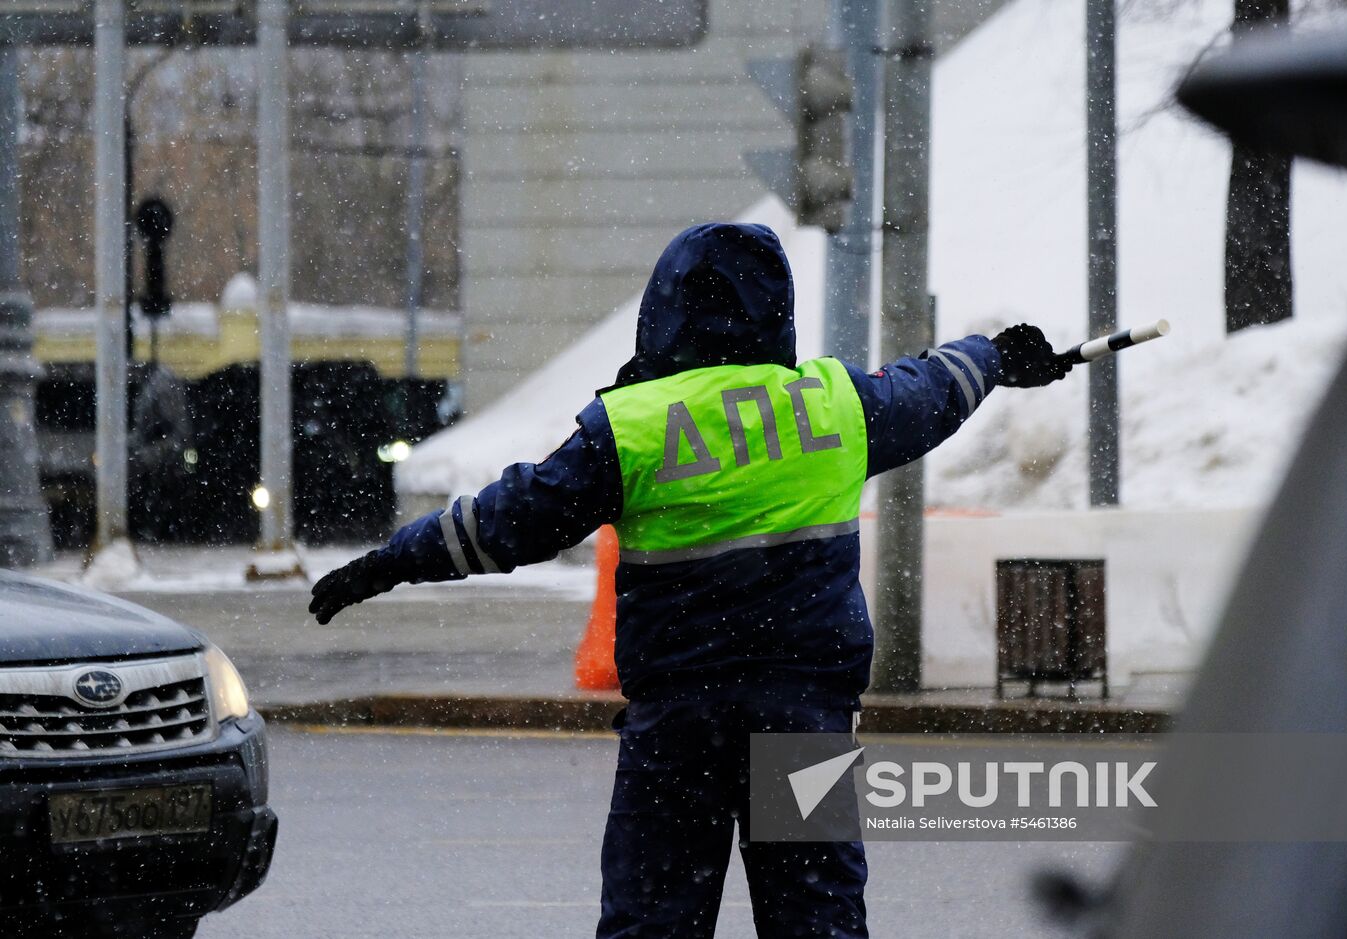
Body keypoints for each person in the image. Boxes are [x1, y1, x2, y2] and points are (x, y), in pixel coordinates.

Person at [309, 222, 1070, 938]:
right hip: (803, 725)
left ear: (665, 310)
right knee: (817, 920)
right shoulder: (837, 405)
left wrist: (389, 562)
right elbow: (932, 388)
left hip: (680, 730)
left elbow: (507, 521)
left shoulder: (632, 428)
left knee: (654, 921)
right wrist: (998, 355)